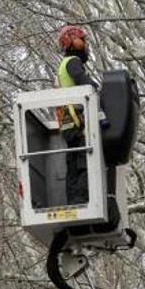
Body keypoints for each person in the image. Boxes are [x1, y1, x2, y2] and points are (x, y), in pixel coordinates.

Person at [56, 25, 98, 206]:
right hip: (75, 119)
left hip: (67, 121)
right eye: (83, 40)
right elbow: (85, 83)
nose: (86, 45)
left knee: (72, 163)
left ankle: (73, 200)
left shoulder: (62, 65)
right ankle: (81, 199)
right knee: (83, 160)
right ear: (73, 41)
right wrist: (99, 90)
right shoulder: (73, 62)